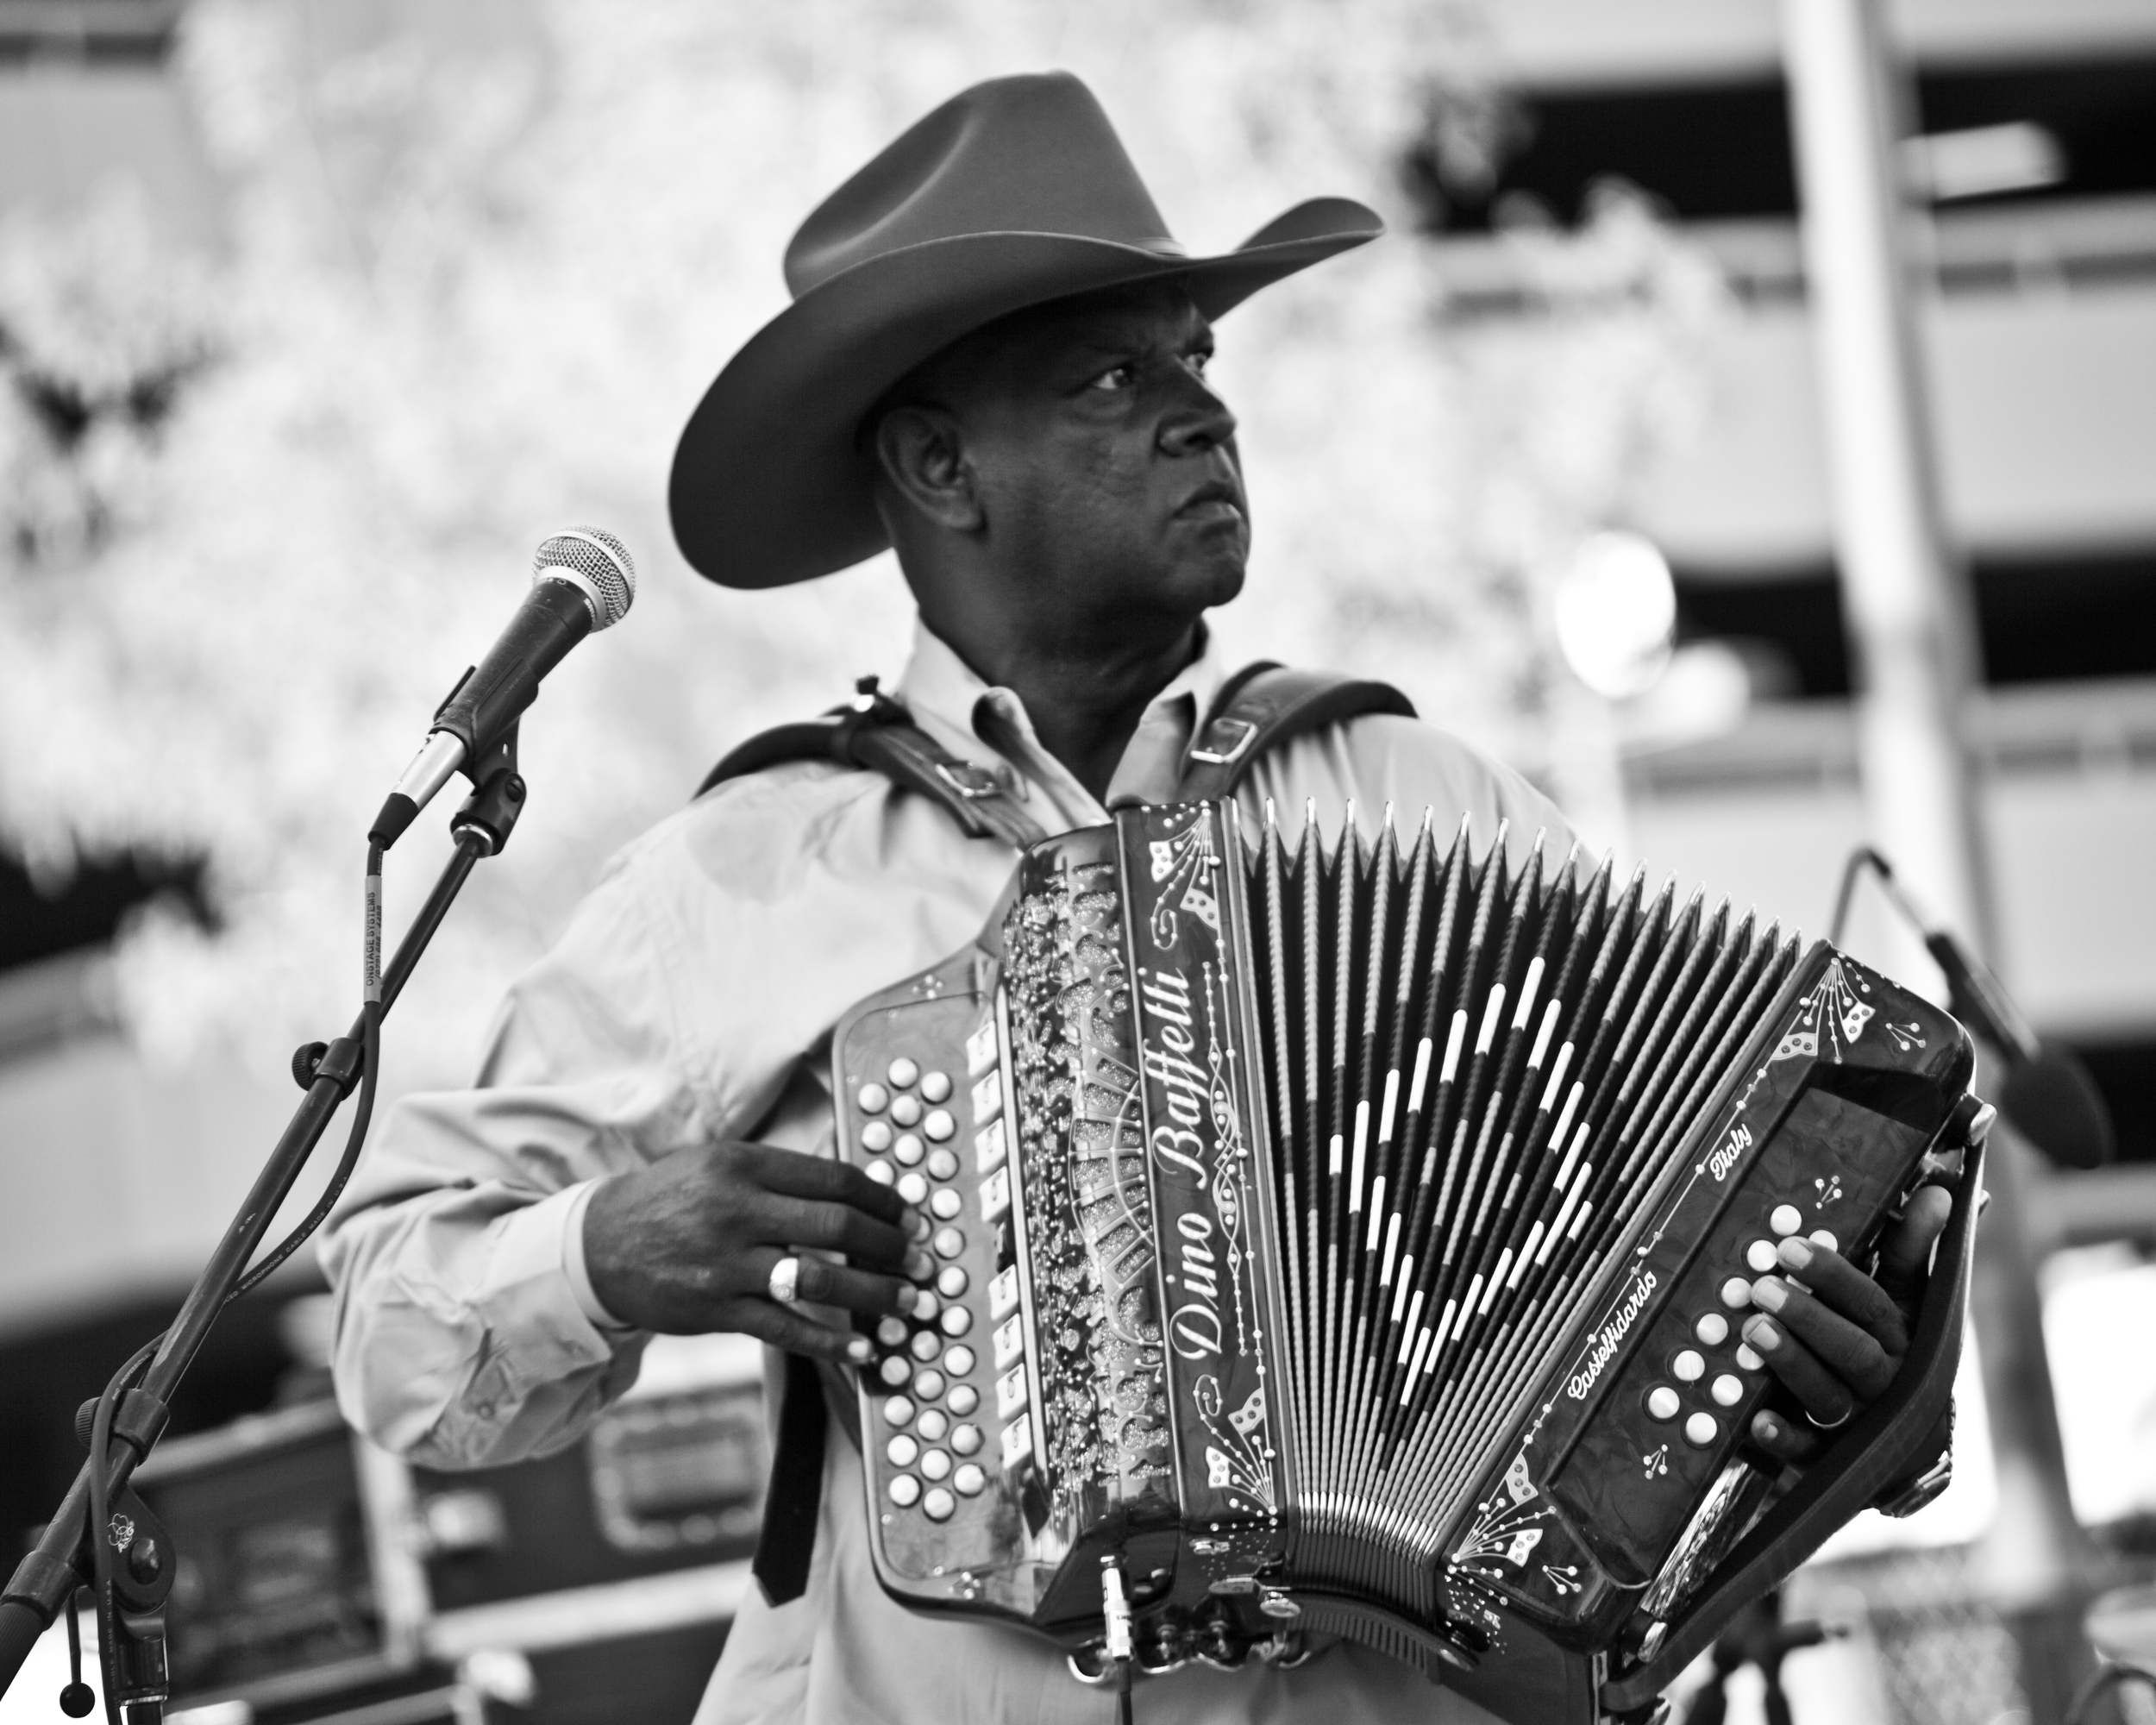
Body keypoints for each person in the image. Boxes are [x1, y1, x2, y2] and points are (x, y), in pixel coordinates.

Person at [323, 72, 1953, 1725]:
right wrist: (603, 1251)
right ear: (939, 465)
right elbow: (389, 1312)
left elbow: (1683, 1286)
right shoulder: (739, 877)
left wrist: (1812, 1370)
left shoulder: (1429, 808)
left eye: (1200, 362)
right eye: (1115, 377)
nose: (1203, 413)